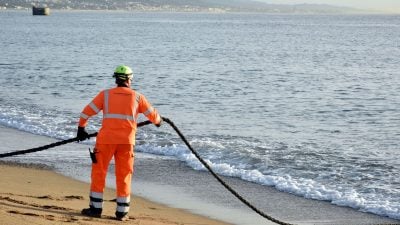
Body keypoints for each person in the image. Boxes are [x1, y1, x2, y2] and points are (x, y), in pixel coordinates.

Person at [76, 65, 162, 221]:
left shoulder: (105, 95)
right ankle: (122, 213)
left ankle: (95, 209)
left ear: (115, 79)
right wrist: (159, 122)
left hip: (105, 141)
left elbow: (86, 112)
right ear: (130, 79)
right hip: (126, 143)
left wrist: (81, 128)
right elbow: (154, 117)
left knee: (99, 172)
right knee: (124, 175)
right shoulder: (137, 97)